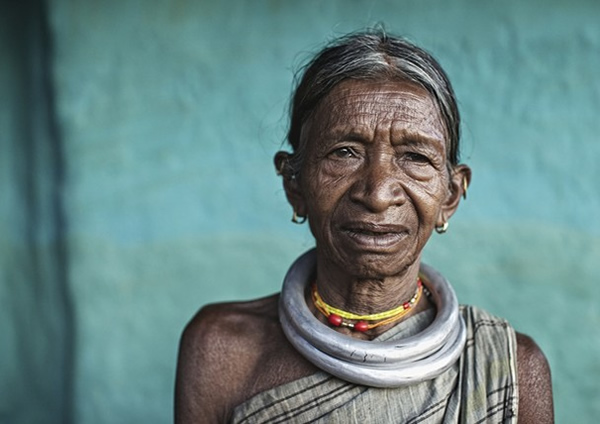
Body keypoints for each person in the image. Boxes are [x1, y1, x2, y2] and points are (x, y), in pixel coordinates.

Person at [175, 30, 554, 423]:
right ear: (294, 184)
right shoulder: (223, 351)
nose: (376, 194)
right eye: (344, 152)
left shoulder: (511, 371)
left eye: (415, 157)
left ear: (451, 196)